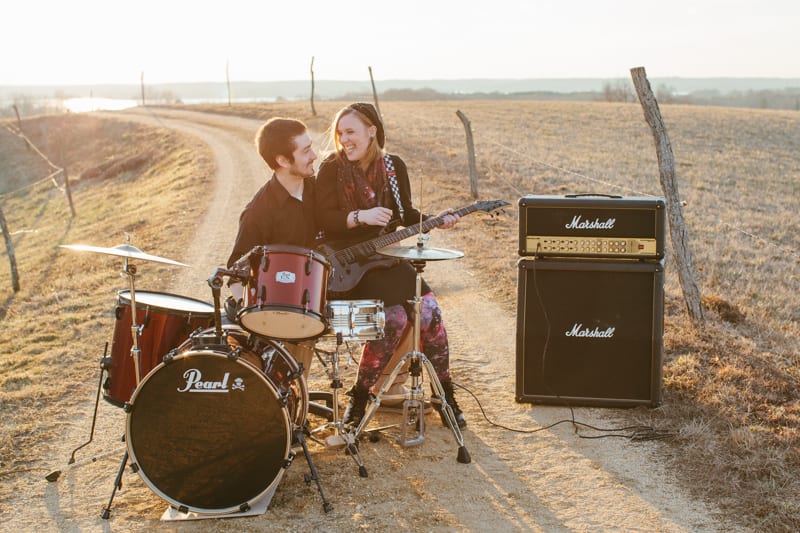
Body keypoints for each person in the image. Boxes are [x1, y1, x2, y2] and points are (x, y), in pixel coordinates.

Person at [315, 102, 466, 429]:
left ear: (372, 131)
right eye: (340, 133)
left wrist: (437, 220)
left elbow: (405, 213)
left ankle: (445, 396)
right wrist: (359, 217)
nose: (344, 140)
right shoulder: (330, 167)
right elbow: (319, 218)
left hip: (385, 258)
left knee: (430, 311)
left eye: (351, 132)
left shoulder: (393, 167)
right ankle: (359, 398)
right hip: (347, 266)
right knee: (394, 317)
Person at [225, 117, 320, 378]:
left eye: (311, 147)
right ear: (282, 161)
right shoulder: (258, 213)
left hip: (319, 292)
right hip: (281, 305)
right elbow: (235, 272)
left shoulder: (318, 189)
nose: (314, 155)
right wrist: (258, 313)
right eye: (305, 151)